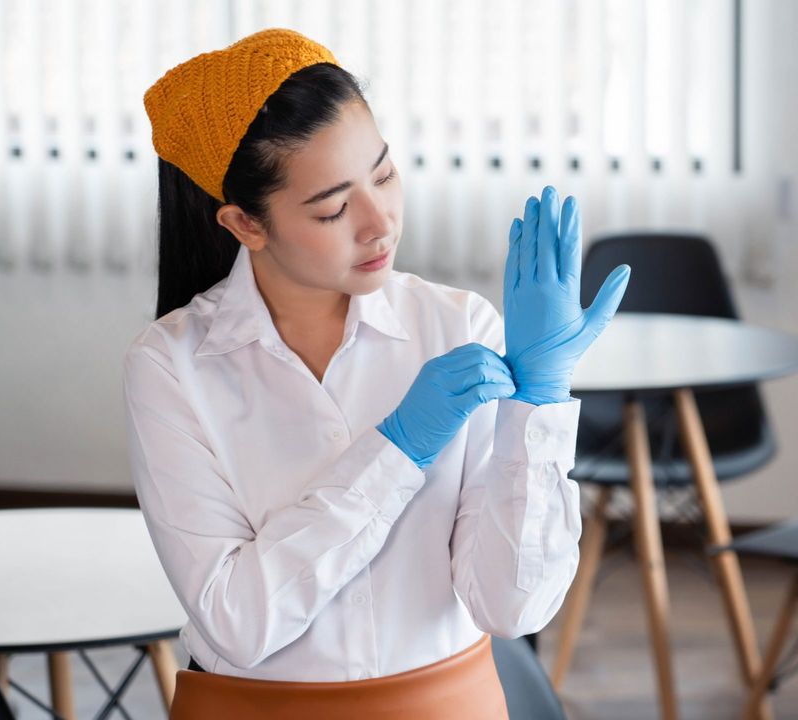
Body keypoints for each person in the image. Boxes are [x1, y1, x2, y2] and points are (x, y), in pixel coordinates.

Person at [124, 27, 631, 719]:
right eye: (333, 208)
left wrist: (538, 408)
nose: (378, 223)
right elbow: (238, 624)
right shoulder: (171, 366)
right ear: (245, 223)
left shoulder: (457, 328)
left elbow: (513, 606)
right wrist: (395, 449)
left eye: (385, 175)